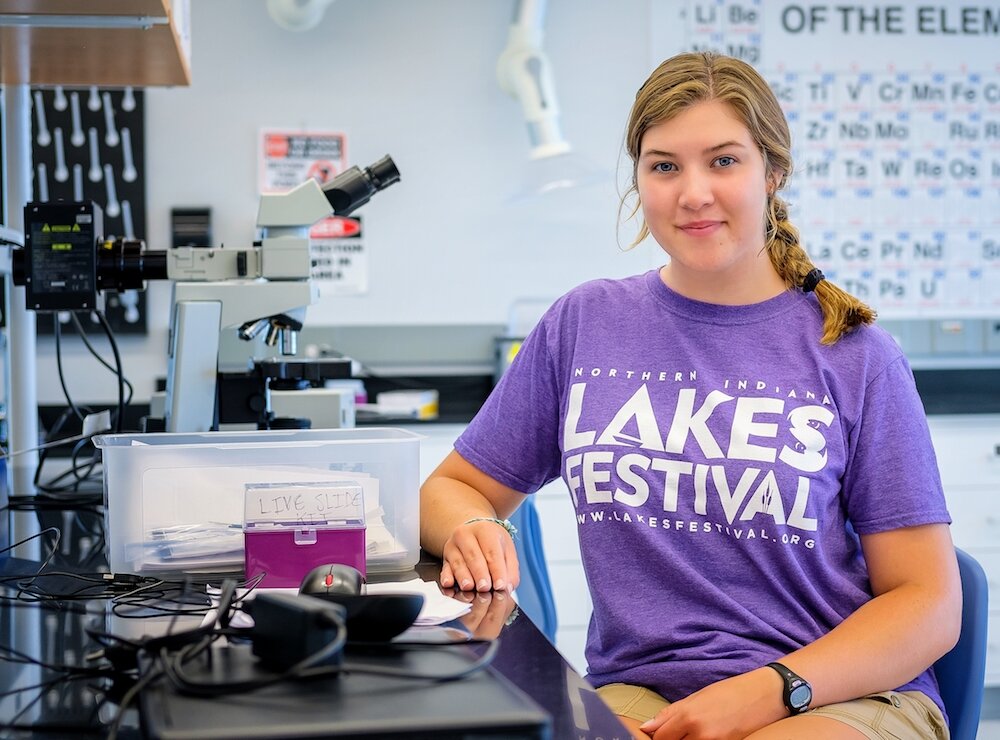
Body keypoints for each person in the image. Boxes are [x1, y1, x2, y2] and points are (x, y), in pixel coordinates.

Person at [420, 51, 960, 739]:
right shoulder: (585, 324)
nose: (692, 193)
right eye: (664, 165)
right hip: (646, 692)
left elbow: (929, 602)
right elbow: (452, 488)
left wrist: (771, 691)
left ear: (775, 171)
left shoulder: (856, 356)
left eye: (724, 161)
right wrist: (475, 527)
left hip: (835, 692)